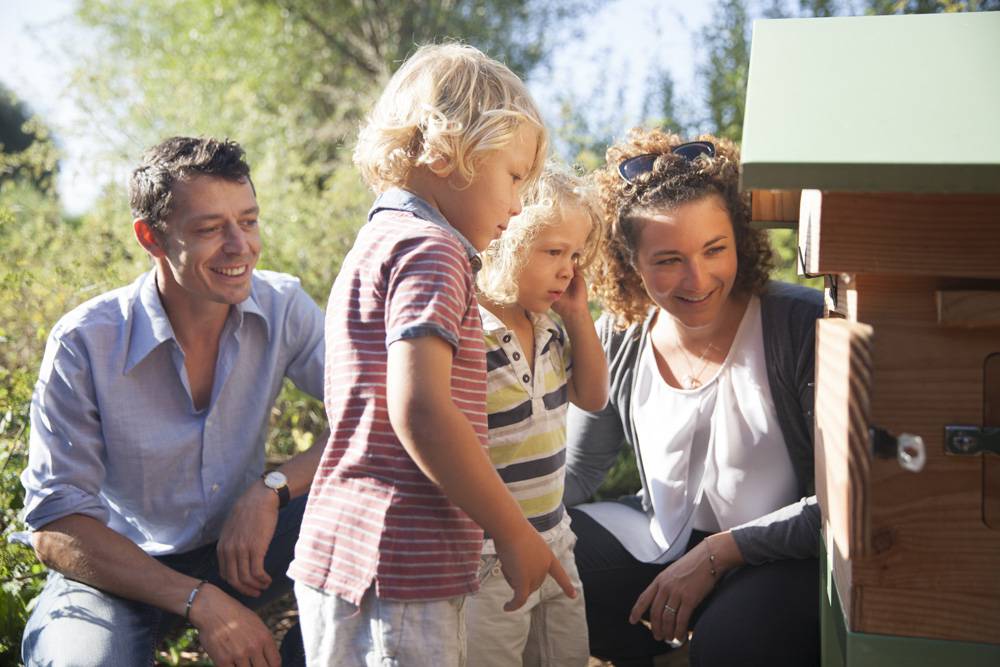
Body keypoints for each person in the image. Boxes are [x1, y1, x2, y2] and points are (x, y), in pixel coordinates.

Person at [288, 43, 575, 667]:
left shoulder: (376, 242)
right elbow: (421, 410)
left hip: (343, 550)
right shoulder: (433, 252)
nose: (520, 204)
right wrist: (512, 528)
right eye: (514, 176)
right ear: (449, 152)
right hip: (403, 562)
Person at [20, 136, 326, 666]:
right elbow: (57, 525)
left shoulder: (283, 307)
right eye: (210, 229)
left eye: (248, 222)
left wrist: (272, 489)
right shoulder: (85, 342)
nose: (240, 246)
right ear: (151, 237)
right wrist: (199, 601)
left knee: (392, 510)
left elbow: (376, 413)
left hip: (247, 549)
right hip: (119, 572)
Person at [564, 128, 823, 667]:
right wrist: (490, 519)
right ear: (630, 262)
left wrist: (719, 552)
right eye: (668, 260)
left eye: (714, 249)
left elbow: (839, 506)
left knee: (735, 644)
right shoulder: (619, 333)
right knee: (547, 564)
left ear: (740, 239)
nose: (698, 278)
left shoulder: (801, 324)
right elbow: (578, 470)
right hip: (653, 538)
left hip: (774, 554)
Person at [466, 163, 609, 667]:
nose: (568, 268)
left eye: (574, 254)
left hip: (556, 538)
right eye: (553, 252)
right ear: (505, 244)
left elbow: (592, 396)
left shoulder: (547, 326)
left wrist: (577, 315)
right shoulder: (471, 333)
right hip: (489, 557)